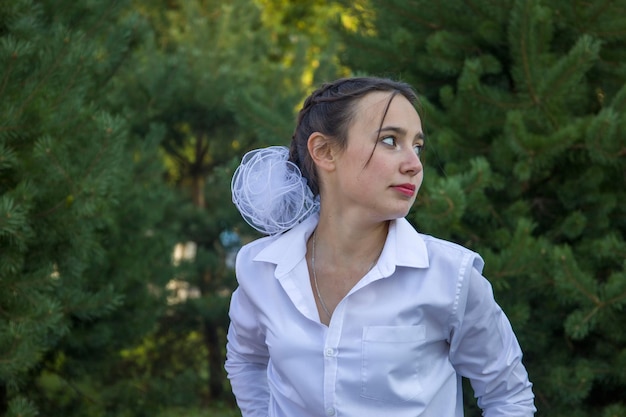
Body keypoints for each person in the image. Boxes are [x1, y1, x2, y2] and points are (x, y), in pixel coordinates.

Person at [225, 76, 536, 417]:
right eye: (390, 141)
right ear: (324, 151)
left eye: (417, 146)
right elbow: (246, 360)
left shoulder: (451, 276)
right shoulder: (261, 269)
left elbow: (508, 396)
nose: (414, 164)